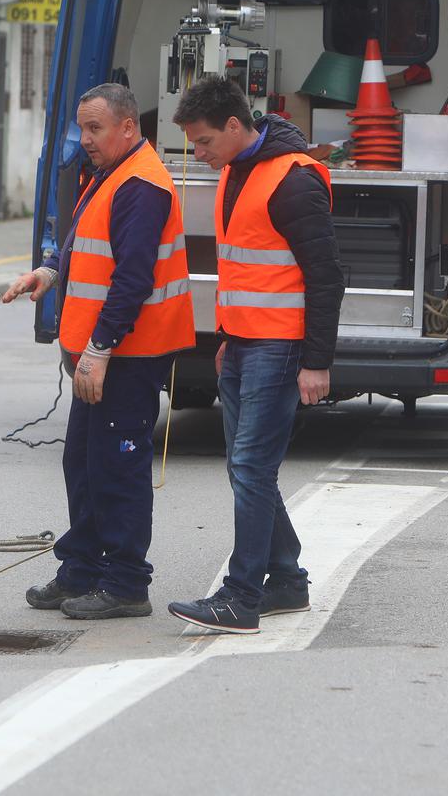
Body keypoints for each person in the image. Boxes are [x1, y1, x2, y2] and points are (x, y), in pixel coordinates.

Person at [3, 84, 194, 620]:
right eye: (82, 128)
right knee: (83, 462)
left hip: (129, 355)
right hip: (104, 352)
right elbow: (89, 246)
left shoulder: (141, 184)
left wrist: (100, 349)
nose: (85, 139)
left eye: (96, 129)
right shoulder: (113, 174)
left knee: (117, 466)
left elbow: (132, 279)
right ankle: (82, 569)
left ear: (128, 127)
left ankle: (127, 582)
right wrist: (49, 272)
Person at [166, 77, 343, 634]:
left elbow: (326, 277)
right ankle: (286, 582)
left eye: (203, 142)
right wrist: (225, 338)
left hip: (280, 347)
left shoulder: (292, 182)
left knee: (251, 467)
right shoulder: (237, 172)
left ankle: (241, 596)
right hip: (244, 344)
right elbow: (245, 270)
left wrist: (317, 361)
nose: (198, 154)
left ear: (237, 128)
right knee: (250, 472)